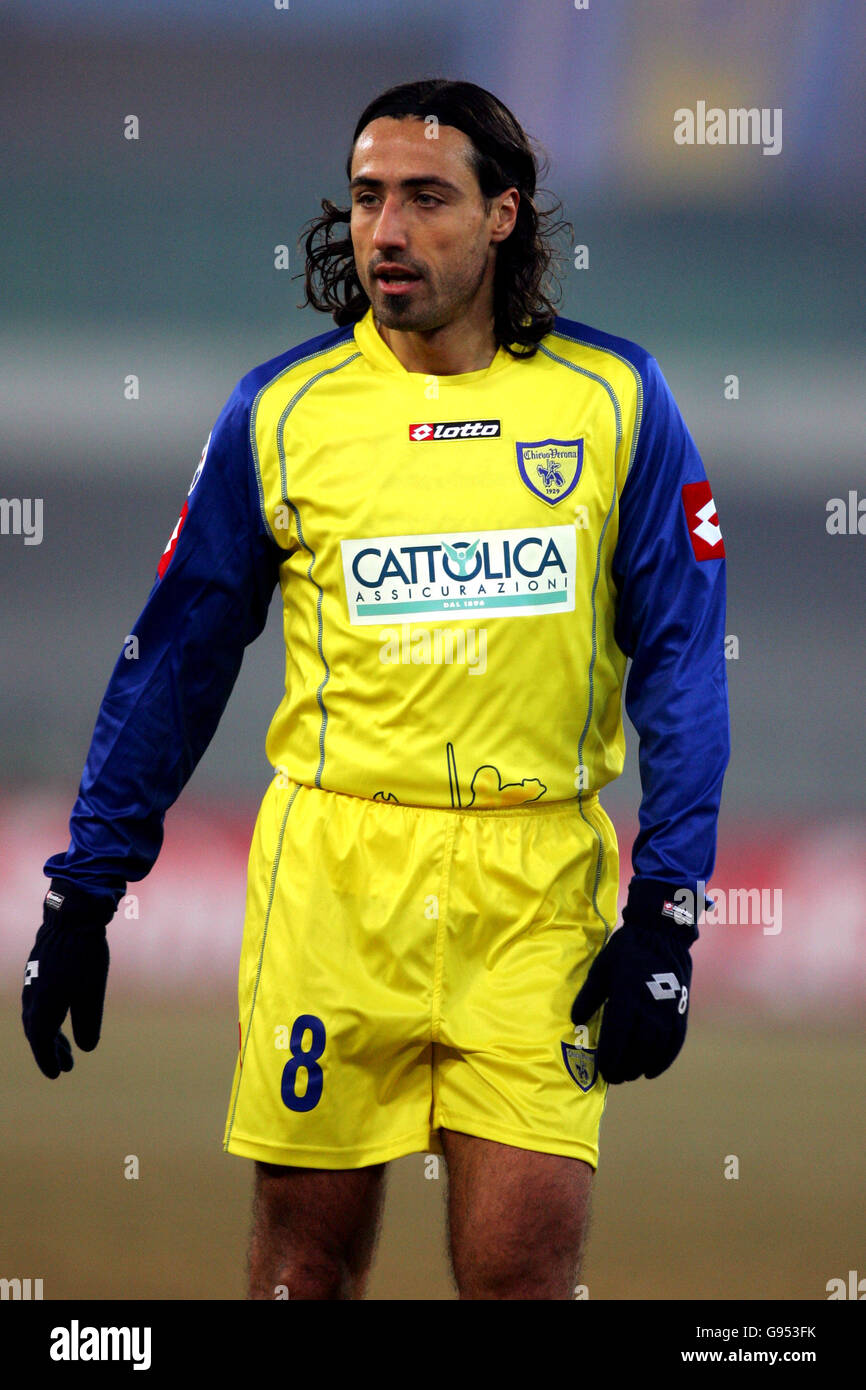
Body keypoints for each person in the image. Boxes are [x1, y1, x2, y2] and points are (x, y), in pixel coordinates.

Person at [22, 78, 729, 1301]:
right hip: (334, 888)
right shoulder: (280, 412)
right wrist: (84, 890)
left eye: (425, 197)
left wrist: (665, 908)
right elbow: (176, 660)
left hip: (534, 890)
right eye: (364, 197)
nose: (386, 230)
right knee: (302, 1272)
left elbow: (679, 657)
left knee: (520, 1279)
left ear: (503, 215)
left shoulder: (616, 401)